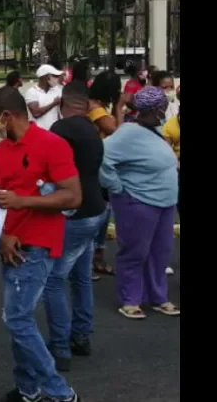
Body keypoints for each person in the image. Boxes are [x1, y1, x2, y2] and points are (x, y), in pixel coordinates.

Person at [0, 85, 83, 402]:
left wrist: (21, 201)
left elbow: (72, 195)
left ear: (7, 115)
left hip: (38, 245)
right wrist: (1, 237)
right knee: (17, 319)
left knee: (16, 319)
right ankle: (29, 388)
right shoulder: (0, 152)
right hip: (10, 247)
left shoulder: (51, 145)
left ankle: (60, 392)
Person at [41, 83, 108, 371]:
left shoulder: (60, 130)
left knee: (53, 280)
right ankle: (80, 336)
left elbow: (48, 170)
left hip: (74, 212)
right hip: (96, 209)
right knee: (80, 277)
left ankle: (59, 346)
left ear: (63, 103)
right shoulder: (93, 131)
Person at [100, 86, 180, 319]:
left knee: (160, 252)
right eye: (164, 106)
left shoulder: (154, 129)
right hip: (138, 201)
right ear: (155, 109)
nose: (166, 109)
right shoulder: (128, 132)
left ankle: (158, 296)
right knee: (135, 252)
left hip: (164, 202)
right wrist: (116, 187)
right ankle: (131, 299)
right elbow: (103, 159)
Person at [86, 69, 122, 277]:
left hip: (102, 163)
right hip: (97, 165)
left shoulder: (96, 106)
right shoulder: (96, 109)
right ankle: (88, 260)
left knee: (104, 212)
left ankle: (97, 259)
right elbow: (116, 131)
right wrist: (119, 107)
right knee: (98, 215)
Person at [25, 64, 64, 130]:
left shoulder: (59, 89)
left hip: (56, 131)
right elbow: (36, 113)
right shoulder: (32, 92)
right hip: (39, 132)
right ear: (47, 77)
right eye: (55, 76)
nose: (57, 78)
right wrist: (54, 103)